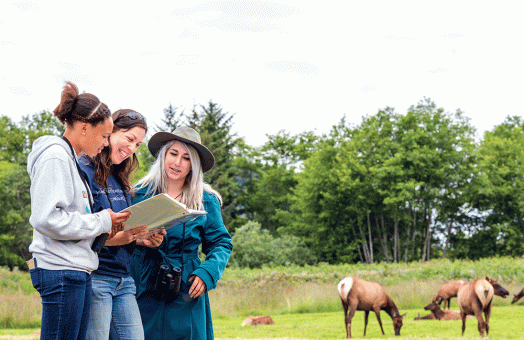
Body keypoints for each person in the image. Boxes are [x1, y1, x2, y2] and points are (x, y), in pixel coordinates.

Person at [27, 82, 131, 340]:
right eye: (105, 135)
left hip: (76, 269)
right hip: (60, 271)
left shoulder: (70, 160)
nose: (107, 143)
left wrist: (107, 224)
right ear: (85, 127)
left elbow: (73, 217)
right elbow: (46, 218)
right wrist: (101, 220)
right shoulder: (55, 157)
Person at [130, 126, 233, 340]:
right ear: (163, 156)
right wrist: (140, 241)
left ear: (193, 165)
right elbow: (118, 238)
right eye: (173, 154)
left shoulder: (205, 199)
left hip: (186, 285)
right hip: (142, 282)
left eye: (186, 158)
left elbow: (221, 243)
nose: (177, 163)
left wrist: (207, 273)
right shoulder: (137, 194)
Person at [78, 109, 166, 340]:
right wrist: (122, 238)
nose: (132, 149)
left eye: (137, 144)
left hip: (124, 279)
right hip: (97, 276)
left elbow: (122, 228)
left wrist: (141, 238)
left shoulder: (119, 176)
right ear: (110, 131)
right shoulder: (83, 169)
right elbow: (80, 229)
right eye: (129, 139)